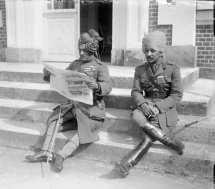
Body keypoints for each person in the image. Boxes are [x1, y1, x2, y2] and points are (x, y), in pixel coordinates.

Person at [25, 29, 112, 172]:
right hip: (74, 105)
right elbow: (62, 77)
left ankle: (61, 156)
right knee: (54, 119)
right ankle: (46, 151)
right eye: (80, 50)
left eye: (85, 51)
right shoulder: (75, 64)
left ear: (92, 50)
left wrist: (96, 85)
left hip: (92, 109)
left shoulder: (100, 67)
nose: (82, 53)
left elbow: (108, 86)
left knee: (85, 130)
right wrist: (49, 75)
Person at [114, 31, 185, 178]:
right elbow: (135, 92)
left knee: (148, 137)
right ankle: (171, 142)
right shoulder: (140, 70)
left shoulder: (173, 69)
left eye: (152, 50)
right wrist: (144, 104)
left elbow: (177, 95)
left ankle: (127, 163)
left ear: (161, 51)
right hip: (146, 104)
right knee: (135, 116)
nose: (148, 53)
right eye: (146, 50)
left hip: (165, 107)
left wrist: (158, 108)